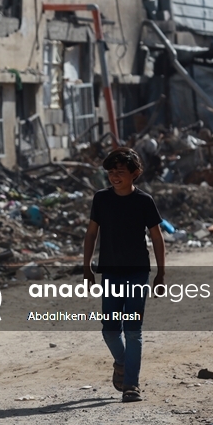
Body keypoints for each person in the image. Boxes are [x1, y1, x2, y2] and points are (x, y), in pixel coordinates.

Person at [82, 147, 165, 403]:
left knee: (133, 331)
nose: (115, 176)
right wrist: (86, 267)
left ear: (135, 173)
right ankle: (122, 361)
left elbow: (157, 237)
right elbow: (92, 234)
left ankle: (131, 384)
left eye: (120, 171)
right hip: (111, 273)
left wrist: (161, 273)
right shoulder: (101, 199)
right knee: (109, 330)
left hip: (138, 273)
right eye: (111, 172)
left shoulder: (144, 201)